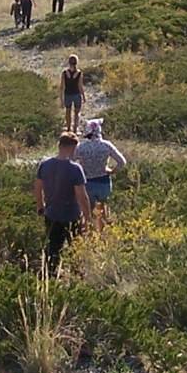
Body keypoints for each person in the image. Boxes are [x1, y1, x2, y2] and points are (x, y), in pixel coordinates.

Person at [35, 131, 90, 274]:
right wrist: (87, 218)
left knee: (53, 248)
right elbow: (82, 196)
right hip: (71, 215)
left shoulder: (44, 165)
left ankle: (50, 277)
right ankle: (77, 276)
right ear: (72, 148)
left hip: (51, 214)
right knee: (75, 248)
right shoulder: (75, 169)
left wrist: (40, 207)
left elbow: (37, 188)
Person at [72, 118, 127, 231]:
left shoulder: (81, 147)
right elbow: (122, 162)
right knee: (102, 210)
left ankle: (87, 233)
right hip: (104, 182)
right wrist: (112, 171)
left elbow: (71, 161)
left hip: (87, 182)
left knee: (87, 211)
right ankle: (101, 234)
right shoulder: (106, 145)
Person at [60, 53, 84, 131]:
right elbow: (80, 86)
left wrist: (61, 99)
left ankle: (68, 128)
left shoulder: (64, 73)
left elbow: (62, 86)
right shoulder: (79, 73)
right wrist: (83, 96)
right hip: (77, 94)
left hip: (67, 94)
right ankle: (75, 129)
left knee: (68, 112)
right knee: (77, 113)